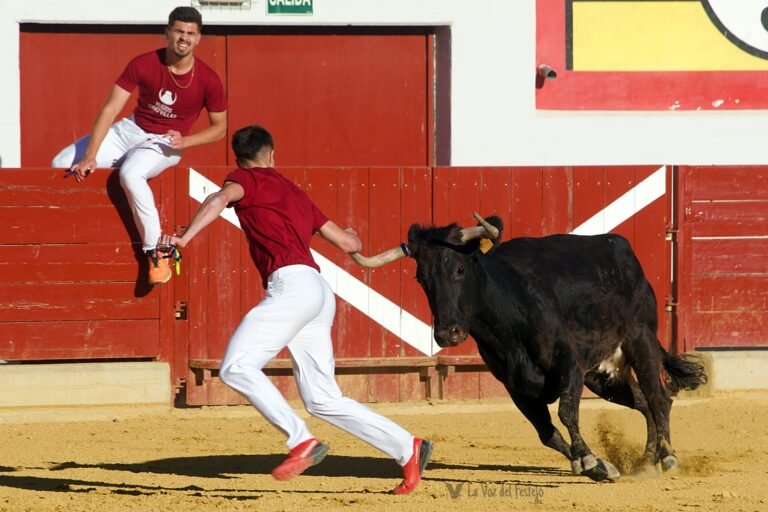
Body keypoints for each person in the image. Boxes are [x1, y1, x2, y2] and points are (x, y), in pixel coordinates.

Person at [159, 125, 433, 494]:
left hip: (291, 287)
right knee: (322, 398)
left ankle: (300, 440)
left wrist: (183, 238)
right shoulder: (297, 194)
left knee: (236, 367)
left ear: (239, 159)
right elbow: (350, 242)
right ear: (273, 154)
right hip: (319, 291)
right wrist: (352, 234)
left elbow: (218, 200)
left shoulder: (245, 180)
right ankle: (406, 447)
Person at [51, 6, 227, 286]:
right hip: (130, 129)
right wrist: (90, 156)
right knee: (60, 164)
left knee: (130, 174)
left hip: (165, 142)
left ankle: (156, 251)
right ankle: (61, 235)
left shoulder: (208, 79)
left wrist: (186, 140)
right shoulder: (144, 63)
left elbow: (220, 128)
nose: (184, 38)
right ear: (167, 33)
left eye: (190, 34)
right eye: (179, 31)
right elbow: (109, 110)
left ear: (199, 38)